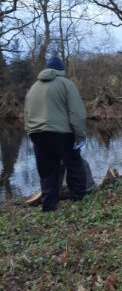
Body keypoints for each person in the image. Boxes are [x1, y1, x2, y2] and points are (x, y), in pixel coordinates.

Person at [24, 56, 87, 212]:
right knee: (73, 164)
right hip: (62, 133)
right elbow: (77, 113)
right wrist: (80, 135)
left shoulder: (33, 88)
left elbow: (26, 113)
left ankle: (49, 205)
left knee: (47, 170)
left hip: (37, 133)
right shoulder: (67, 84)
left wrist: (31, 133)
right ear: (61, 70)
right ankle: (78, 199)